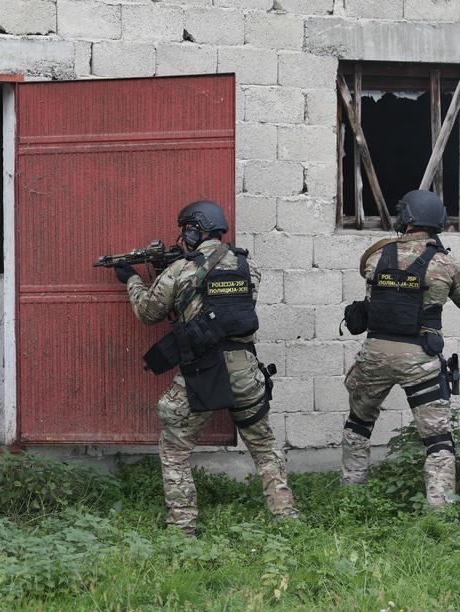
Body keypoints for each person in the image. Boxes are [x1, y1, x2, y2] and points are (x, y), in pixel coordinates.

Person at [115, 200, 298, 536]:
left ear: (193, 229)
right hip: (246, 368)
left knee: (174, 452)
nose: (182, 239)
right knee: (264, 448)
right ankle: (287, 519)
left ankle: (183, 528)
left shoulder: (181, 270)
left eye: (185, 231)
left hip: (203, 371)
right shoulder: (247, 266)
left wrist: (132, 279)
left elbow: (147, 312)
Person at [340, 189, 460, 507]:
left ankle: (351, 495)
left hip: (374, 355)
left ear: (407, 218)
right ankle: (440, 509)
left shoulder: (379, 257)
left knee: (358, 424)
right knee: (437, 440)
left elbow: (371, 301)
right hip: (420, 358)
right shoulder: (446, 264)